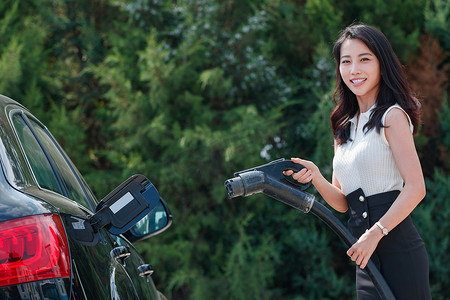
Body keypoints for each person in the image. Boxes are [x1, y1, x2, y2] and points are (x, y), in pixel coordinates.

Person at [284, 23, 431, 299]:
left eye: (365, 59)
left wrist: (375, 233)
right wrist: (316, 176)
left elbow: (416, 188)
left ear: (381, 64)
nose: (355, 70)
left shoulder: (392, 117)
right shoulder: (343, 126)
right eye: (346, 61)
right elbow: (342, 203)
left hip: (399, 251)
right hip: (364, 256)